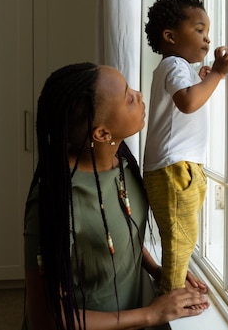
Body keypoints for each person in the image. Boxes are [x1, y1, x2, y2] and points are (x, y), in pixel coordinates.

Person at [23, 62, 210, 330]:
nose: (140, 95)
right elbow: (46, 319)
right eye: (128, 97)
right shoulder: (54, 202)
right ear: (102, 133)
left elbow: (121, 234)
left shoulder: (122, 163)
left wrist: (158, 271)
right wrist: (151, 315)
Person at [143, 0, 228, 295]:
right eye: (199, 30)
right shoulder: (173, 64)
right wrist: (218, 73)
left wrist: (202, 77)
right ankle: (171, 298)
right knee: (181, 236)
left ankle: (176, 281)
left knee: (180, 236)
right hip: (175, 166)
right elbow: (188, 102)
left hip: (177, 165)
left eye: (207, 32)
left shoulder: (177, 67)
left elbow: (188, 94)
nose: (207, 39)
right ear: (170, 36)